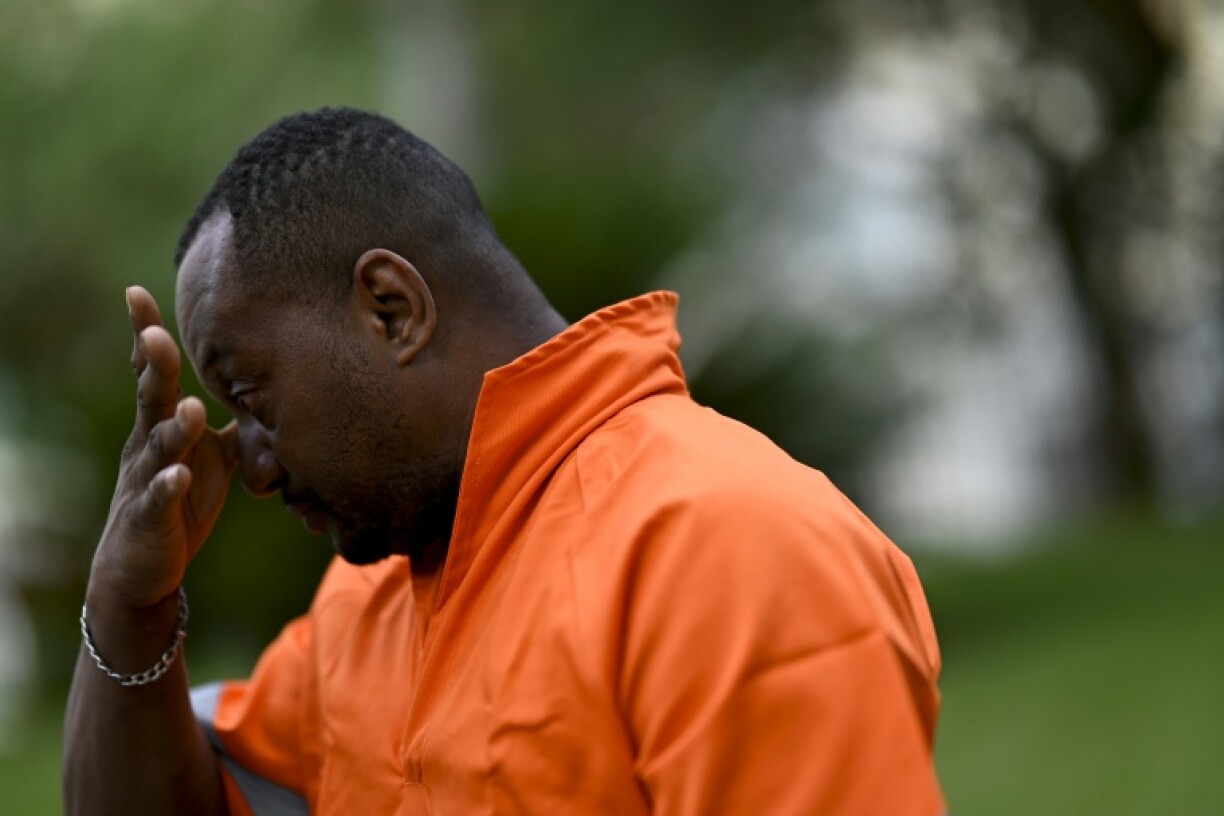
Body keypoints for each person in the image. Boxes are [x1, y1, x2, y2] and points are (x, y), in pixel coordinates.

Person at [63, 107, 946, 815]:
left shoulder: (726, 544)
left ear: (391, 307)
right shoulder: (364, 605)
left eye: (250, 397)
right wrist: (129, 604)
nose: (251, 466)